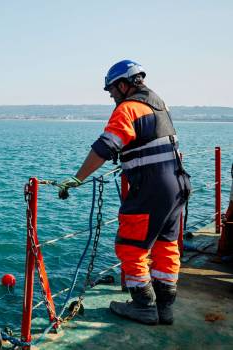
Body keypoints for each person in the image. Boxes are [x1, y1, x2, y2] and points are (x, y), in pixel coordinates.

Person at [58, 60, 191, 325]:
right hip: (178, 185)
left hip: (151, 187)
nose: (111, 96)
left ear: (123, 85)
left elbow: (105, 147)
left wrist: (78, 178)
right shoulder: (159, 104)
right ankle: (164, 309)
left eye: (111, 91)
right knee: (166, 247)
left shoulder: (128, 108)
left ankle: (144, 306)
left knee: (131, 247)